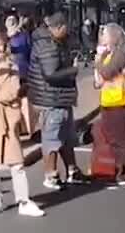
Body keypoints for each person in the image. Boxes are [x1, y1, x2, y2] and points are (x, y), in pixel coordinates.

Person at [0, 30, 44, 216]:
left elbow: (13, 91)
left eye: (1, 45)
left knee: (16, 162)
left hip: (7, 117)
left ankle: (23, 200)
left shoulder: (12, 66)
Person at [29, 12, 90, 189]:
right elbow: (50, 74)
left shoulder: (55, 42)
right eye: (66, 28)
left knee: (66, 138)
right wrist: (73, 70)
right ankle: (51, 175)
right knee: (52, 139)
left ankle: (72, 171)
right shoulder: (47, 45)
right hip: (51, 99)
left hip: (60, 97)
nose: (68, 32)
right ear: (59, 27)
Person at [95, 23, 125, 187]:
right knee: (111, 138)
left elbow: (106, 72)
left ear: (113, 36)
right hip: (108, 101)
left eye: (105, 33)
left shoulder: (120, 55)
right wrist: (100, 64)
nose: (102, 36)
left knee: (121, 139)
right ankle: (120, 171)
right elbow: (99, 80)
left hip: (119, 102)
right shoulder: (107, 55)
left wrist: (97, 62)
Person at [6, 13, 33, 80]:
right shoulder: (5, 38)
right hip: (13, 69)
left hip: (23, 68)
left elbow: (29, 49)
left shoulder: (24, 34)